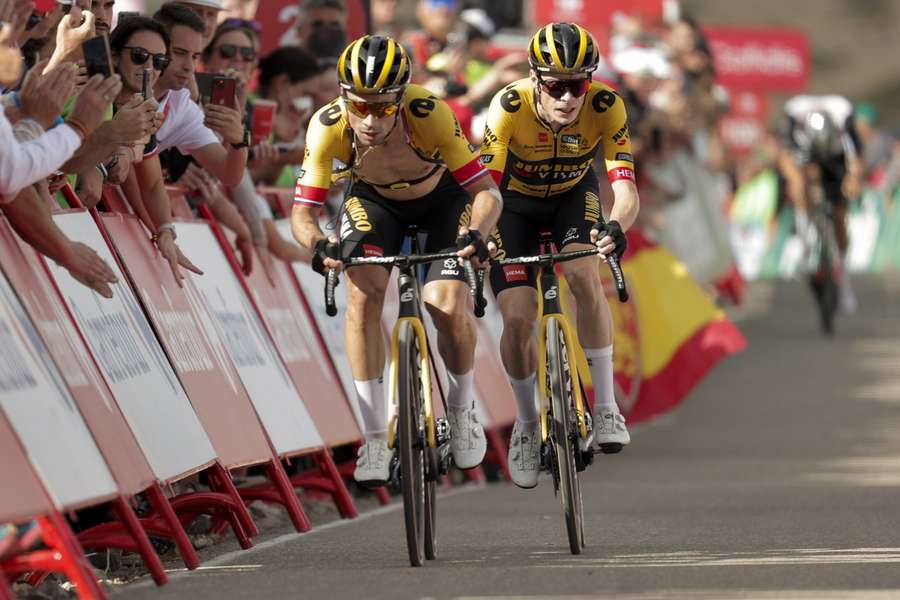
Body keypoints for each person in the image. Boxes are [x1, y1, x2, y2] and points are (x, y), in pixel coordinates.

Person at [290, 35, 502, 487]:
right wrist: (317, 244)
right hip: (375, 203)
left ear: (401, 100)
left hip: (442, 201)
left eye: (383, 108)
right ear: (343, 96)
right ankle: (372, 437)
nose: (368, 120)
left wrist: (478, 233)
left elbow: (486, 191)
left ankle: (462, 410)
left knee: (444, 303)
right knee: (363, 298)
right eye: (359, 105)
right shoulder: (327, 126)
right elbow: (303, 213)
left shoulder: (430, 114)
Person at [481, 22, 640, 489]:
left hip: (573, 198)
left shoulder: (607, 105)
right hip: (512, 206)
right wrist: (482, 232)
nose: (568, 98)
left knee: (583, 274)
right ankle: (527, 426)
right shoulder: (508, 106)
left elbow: (625, 188)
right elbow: (485, 187)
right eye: (555, 86)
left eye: (577, 85)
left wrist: (617, 225)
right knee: (516, 316)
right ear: (535, 79)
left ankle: (607, 407)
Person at [781, 94, 863, 313]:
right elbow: (786, 156)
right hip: (806, 157)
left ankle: (844, 281)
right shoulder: (795, 114)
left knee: (839, 216)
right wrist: (796, 181)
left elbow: (855, 158)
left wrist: (853, 178)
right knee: (801, 187)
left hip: (836, 160)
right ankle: (805, 240)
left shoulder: (842, 115)